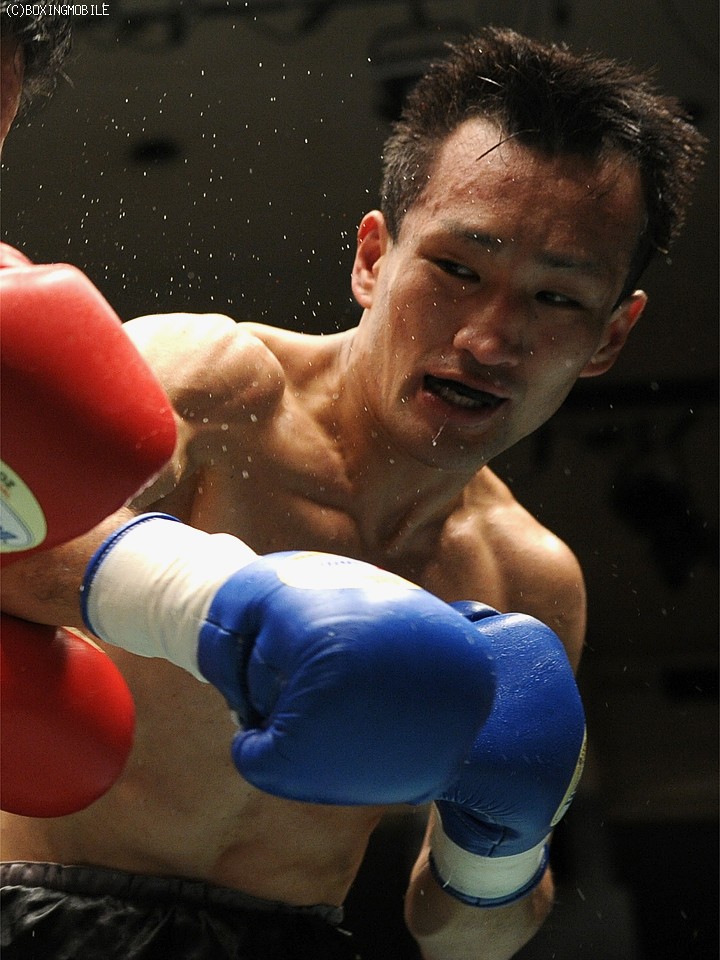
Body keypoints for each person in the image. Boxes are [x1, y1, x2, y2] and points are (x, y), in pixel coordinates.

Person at [0, 26, 705, 960]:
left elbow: (462, 942)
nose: (490, 340)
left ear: (611, 336)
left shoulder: (526, 580)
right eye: (458, 269)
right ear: (373, 258)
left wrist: (500, 849)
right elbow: (14, 537)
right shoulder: (208, 388)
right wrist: (218, 606)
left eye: (557, 299)